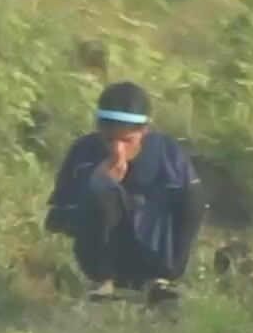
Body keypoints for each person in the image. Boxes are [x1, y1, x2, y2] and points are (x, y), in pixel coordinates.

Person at [44, 81, 205, 303]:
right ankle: (103, 280)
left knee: (192, 195)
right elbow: (58, 219)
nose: (117, 149)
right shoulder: (84, 152)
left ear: (144, 131)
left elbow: (191, 210)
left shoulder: (166, 153)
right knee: (101, 194)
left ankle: (160, 279)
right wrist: (96, 186)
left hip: (154, 247)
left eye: (127, 141)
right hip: (107, 251)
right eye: (110, 139)